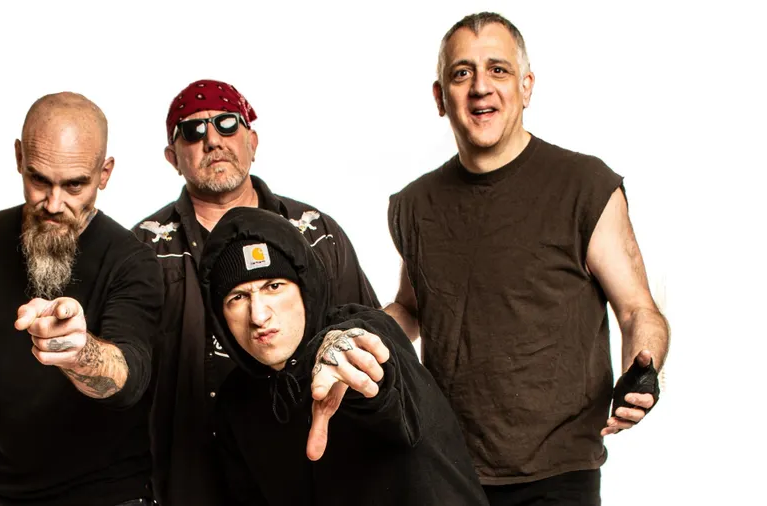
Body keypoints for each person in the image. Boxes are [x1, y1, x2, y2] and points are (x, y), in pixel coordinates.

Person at [385, 12, 670, 505]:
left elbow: (637, 309)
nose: (480, 87)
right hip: (446, 466)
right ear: (440, 97)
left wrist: (641, 371)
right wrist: (355, 335)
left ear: (526, 86)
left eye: (498, 69)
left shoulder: (585, 186)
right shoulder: (414, 204)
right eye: (462, 73)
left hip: (558, 473)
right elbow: (411, 308)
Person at [132, 79, 380, 505]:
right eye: (192, 130)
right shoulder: (144, 250)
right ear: (172, 157)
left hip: (309, 471)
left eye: (228, 124)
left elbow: (367, 335)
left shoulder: (315, 233)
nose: (212, 140)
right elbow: (124, 376)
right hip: (191, 480)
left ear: (253, 141)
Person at [0, 92, 165, 506]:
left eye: (75, 184)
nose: (54, 204)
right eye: (39, 180)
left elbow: (130, 379)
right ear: (19, 157)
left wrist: (78, 352)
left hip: (109, 496)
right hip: (1, 493)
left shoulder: (132, 260)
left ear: (104, 173)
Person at [196, 206, 489, 506]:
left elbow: (384, 378)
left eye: (274, 287)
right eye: (238, 297)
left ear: (305, 289)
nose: (258, 316)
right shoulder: (234, 402)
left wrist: (349, 359)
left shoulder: (368, 331)